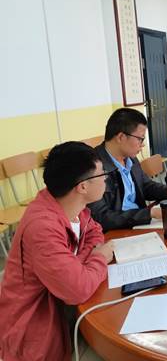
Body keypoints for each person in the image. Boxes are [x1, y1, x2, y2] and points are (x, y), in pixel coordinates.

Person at [0, 142, 114, 361]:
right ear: (82, 187)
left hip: (64, 308)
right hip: (37, 334)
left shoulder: (71, 205)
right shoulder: (42, 228)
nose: (106, 179)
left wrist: (78, 265)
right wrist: (99, 257)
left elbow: (95, 232)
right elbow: (78, 289)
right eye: (102, 174)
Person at [88, 108, 167, 232]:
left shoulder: (130, 158)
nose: (143, 144)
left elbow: (145, 185)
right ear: (121, 137)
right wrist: (149, 213)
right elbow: (101, 217)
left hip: (139, 223)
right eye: (140, 139)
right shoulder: (93, 168)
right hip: (117, 232)